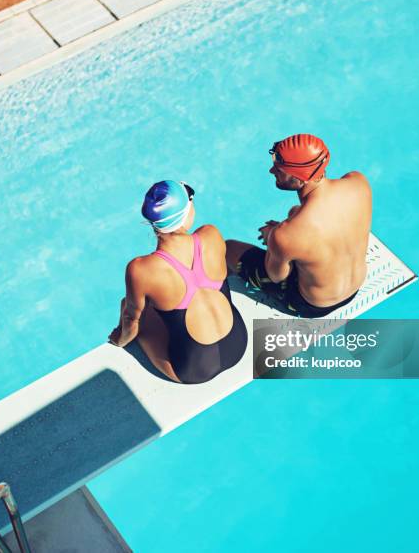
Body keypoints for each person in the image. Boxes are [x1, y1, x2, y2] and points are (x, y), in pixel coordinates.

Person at [109, 180, 248, 384]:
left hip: (194, 370)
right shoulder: (211, 234)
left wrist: (119, 340)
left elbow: (131, 321)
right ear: (185, 212)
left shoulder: (141, 269)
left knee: (129, 306)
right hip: (238, 344)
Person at [226, 134, 372, 318]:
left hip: (313, 305)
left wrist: (272, 238)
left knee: (227, 248)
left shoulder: (285, 234)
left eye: (279, 169)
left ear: (301, 179)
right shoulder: (358, 182)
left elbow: (276, 276)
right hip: (355, 286)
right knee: (295, 212)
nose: (272, 171)